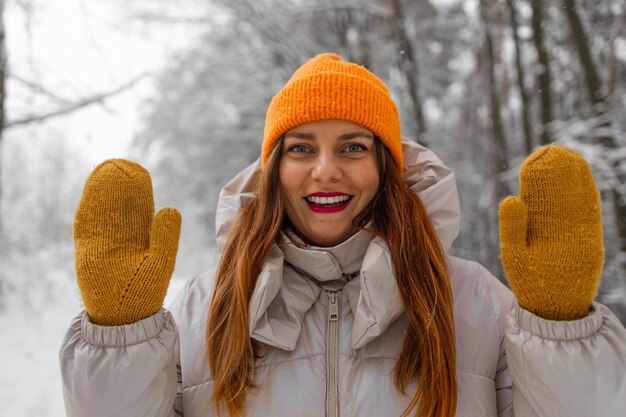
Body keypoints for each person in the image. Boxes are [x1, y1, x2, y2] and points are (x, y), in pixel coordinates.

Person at [60, 53, 626, 417]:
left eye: (353, 147)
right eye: (300, 148)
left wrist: (560, 329)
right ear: (274, 170)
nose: (325, 171)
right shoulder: (202, 309)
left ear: (385, 167)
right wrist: (121, 339)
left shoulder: (474, 302)